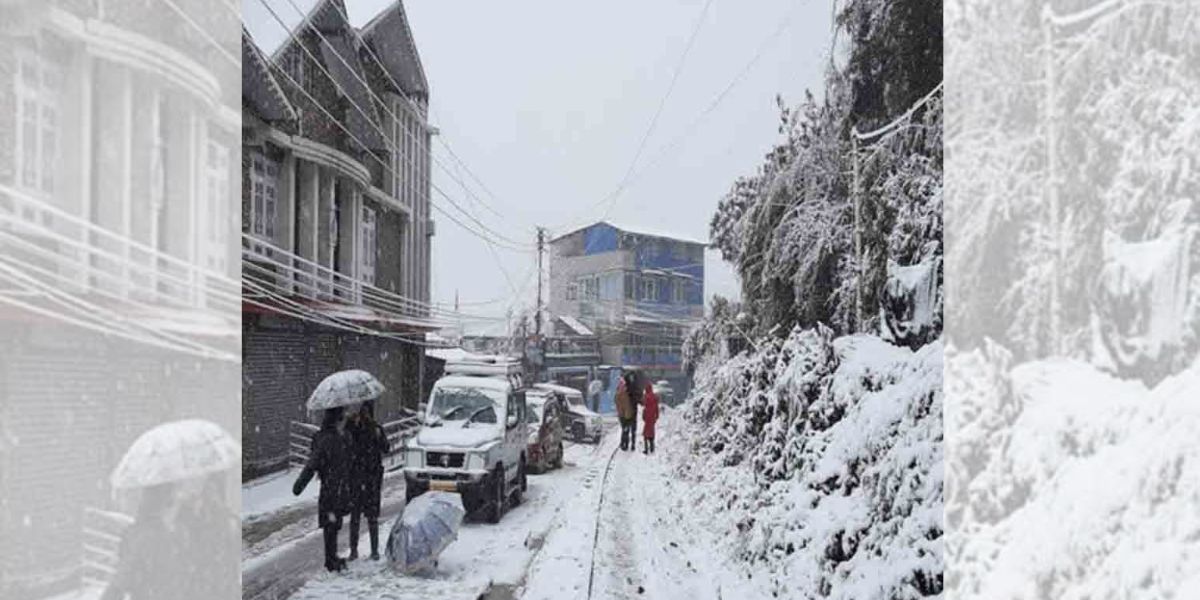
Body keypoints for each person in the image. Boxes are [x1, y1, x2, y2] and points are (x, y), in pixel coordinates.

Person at [293, 406, 352, 572]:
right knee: (331, 524)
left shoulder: (336, 437)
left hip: (335, 487)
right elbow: (313, 463)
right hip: (332, 488)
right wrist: (300, 484)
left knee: (334, 523)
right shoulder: (328, 439)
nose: (344, 421)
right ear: (336, 420)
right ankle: (330, 560)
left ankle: (332, 557)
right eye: (342, 418)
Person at [346, 401, 389, 560]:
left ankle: (374, 550)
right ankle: (354, 550)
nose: (364, 415)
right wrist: (351, 424)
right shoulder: (352, 427)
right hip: (358, 478)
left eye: (367, 411)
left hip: (371, 478)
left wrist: (378, 436)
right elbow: (346, 446)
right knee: (356, 516)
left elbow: (386, 448)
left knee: (371, 516)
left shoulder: (376, 429)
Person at [623, 370, 644, 452]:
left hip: (629, 409)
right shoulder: (635, 386)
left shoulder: (627, 387)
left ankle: (629, 444)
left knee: (628, 427)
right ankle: (631, 444)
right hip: (631, 409)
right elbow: (639, 397)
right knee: (631, 428)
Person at [615, 377, 634, 451]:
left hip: (624, 414)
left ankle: (624, 443)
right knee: (625, 430)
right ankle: (624, 444)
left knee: (625, 429)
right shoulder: (621, 394)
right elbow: (623, 405)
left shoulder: (621, 393)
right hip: (624, 415)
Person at [642, 382, 659, 454]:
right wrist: (657, 416)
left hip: (647, 417)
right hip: (652, 417)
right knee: (651, 432)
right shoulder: (655, 397)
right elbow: (656, 408)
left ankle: (646, 449)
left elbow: (645, 407)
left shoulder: (646, 397)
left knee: (645, 433)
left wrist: (643, 416)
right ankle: (652, 447)